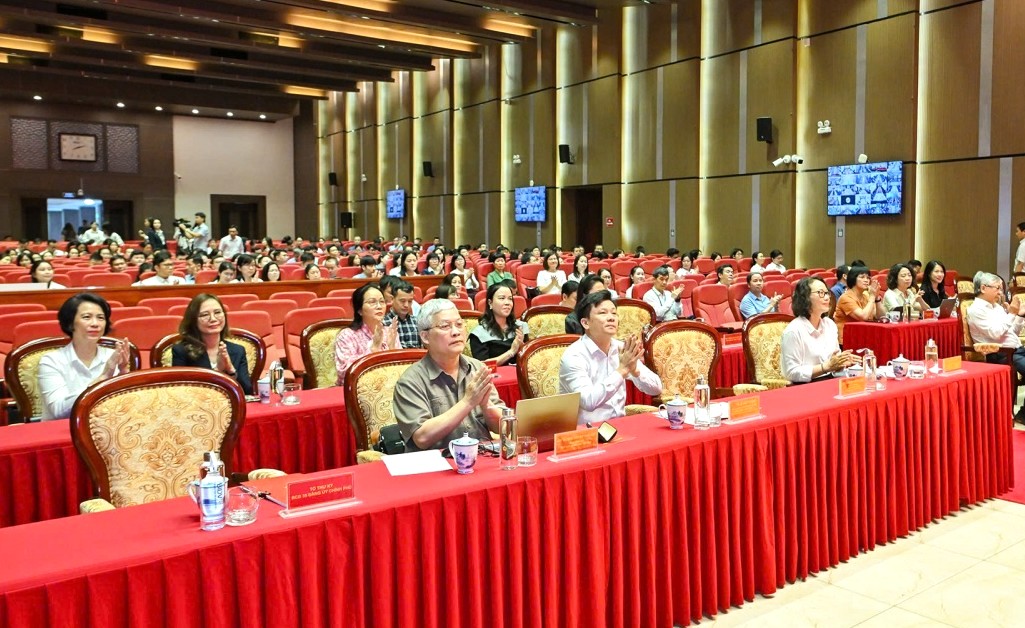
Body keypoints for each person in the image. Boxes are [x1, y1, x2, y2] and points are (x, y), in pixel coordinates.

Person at [393, 299, 508, 452]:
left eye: (459, 324)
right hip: (437, 462)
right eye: (445, 326)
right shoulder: (410, 381)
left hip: (481, 456)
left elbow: (503, 427)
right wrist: (468, 402)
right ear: (425, 337)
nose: (455, 332)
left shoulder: (477, 368)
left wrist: (486, 406)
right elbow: (422, 438)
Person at [558, 290, 662, 424]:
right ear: (585, 323)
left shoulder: (621, 349)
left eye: (614, 313)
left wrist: (635, 370)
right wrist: (622, 370)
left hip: (620, 426)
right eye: (603, 313)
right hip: (587, 431)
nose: (611, 318)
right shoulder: (574, 356)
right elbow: (589, 401)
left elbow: (656, 389)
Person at [38, 293, 132, 420]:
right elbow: (58, 411)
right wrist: (103, 378)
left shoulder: (113, 356)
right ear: (70, 323)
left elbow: (125, 407)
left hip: (105, 426)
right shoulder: (51, 361)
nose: (95, 323)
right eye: (87, 317)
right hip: (63, 427)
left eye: (100, 318)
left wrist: (123, 373)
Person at [967, 271, 1025, 422]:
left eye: (1001, 288)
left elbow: (1012, 332)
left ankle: (1023, 414)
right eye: (997, 288)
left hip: (1015, 349)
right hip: (1000, 353)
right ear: (983, 288)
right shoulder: (976, 310)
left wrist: (1019, 315)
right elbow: (995, 334)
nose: (1000, 292)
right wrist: (1011, 314)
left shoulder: (997, 307)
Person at [780, 278, 860, 383]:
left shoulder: (829, 324)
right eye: (821, 293)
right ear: (805, 297)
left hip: (830, 380)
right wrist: (826, 367)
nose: (827, 297)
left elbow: (834, 360)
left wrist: (841, 362)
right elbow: (791, 373)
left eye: (827, 293)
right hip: (804, 386)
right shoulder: (793, 331)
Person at [171, 294, 252, 395]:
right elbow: (180, 392)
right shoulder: (181, 351)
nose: (213, 319)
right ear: (193, 320)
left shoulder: (238, 350)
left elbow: (247, 392)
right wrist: (218, 371)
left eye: (217, 312)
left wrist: (230, 369)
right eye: (205, 315)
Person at [334, 283, 399, 384]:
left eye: (382, 302)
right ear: (359, 310)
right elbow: (344, 373)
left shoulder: (389, 332)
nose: (379, 306)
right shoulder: (347, 335)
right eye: (372, 302)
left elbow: (399, 370)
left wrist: (392, 350)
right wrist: (373, 350)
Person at [470, 282, 529, 365]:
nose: (507, 303)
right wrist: (511, 352)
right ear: (490, 303)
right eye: (502, 298)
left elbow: (528, 360)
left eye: (510, 299)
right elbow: (482, 365)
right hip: (495, 373)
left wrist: (523, 347)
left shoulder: (520, 327)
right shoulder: (479, 334)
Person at [833, 266, 881, 345]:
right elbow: (863, 317)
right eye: (862, 277)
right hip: (846, 340)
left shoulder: (866, 296)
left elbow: (879, 316)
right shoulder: (846, 298)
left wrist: (877, 298)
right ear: (853, 279)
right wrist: (872, 296)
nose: (866, 280)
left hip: (862, 337)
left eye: (868, 278)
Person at [383, 279, 421, 349]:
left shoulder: (417, 321)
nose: (406, 305)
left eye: (410, 301)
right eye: (402, 301)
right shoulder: (384, 323)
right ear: (392, 299)